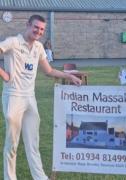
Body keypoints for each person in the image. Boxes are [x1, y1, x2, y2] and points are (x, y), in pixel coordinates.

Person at [1, 14, 81, 180]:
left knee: (33, 143)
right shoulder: (13, 42)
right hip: (13, 96)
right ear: (28, 25)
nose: (39, 31)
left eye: (42, 29)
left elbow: (49, 71)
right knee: (12, 143)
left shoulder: (38, 47)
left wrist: (70, 77)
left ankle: (40, 177)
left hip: (30, 98)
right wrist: (4, 75)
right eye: (36, 27)